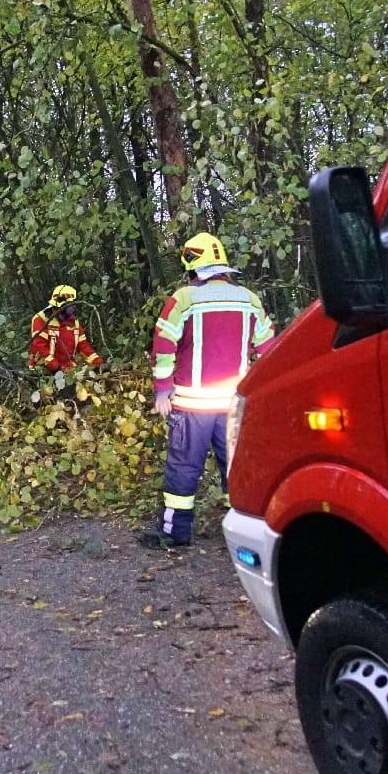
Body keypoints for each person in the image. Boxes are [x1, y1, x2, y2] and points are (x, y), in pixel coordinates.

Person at [140, 233, 275, 550]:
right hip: (235, 407)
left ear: (191, 266)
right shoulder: (249, 299)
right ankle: (246, 532)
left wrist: (162, 390)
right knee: (237, 468)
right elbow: (269, 350)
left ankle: (175, 532)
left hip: (192, 408)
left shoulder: (184, 299)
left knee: (184, 469)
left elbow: (163, 345)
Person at [29, 285, 104, 372]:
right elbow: (39, 348)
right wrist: (56, 368)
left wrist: (98, 363)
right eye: (71, 305)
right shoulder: (41, 319)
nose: (74, 308)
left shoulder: (73, 322)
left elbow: (84, 347)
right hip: (44, 371)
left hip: (69, 369)